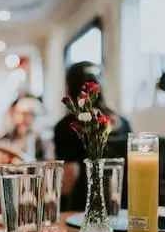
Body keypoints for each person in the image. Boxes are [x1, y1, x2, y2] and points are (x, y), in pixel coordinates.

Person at [53, 61, 132, 210]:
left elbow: (68, 183)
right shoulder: (123, 123)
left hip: (83, 212)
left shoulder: (66, 127)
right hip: (124, 207)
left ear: (69, 88)